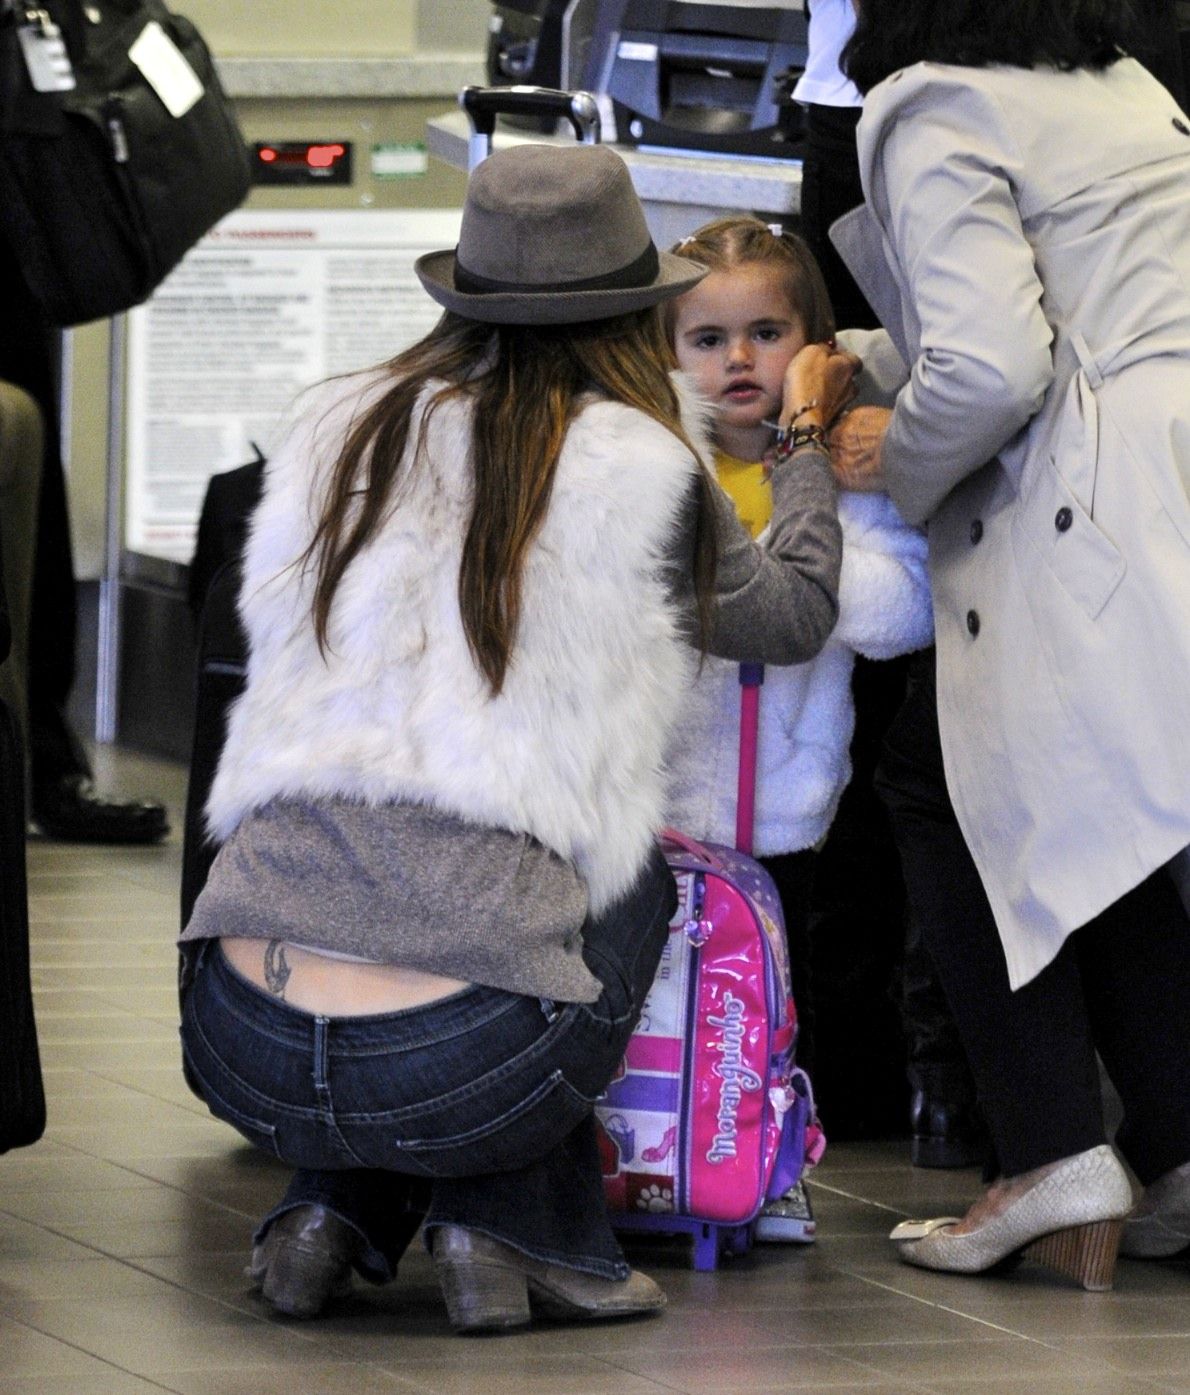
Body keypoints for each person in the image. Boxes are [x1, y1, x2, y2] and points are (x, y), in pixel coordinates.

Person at [177, 142, 856, 1331]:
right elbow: (791, 620)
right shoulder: (641, 467)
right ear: (631, 316)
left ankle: (329, 1208)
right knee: (626, 869)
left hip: (237, 1035)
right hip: (463, 1058)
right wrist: (800, 446)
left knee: (449, 923)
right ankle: (511, 1233)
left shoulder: (337, 429)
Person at [825, 0, 1190, 1286]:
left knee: (949, 790)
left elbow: (986, 370)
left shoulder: (930, 100)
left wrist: (891, 455)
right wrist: (866, 362)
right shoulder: (1115, 78)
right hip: (1160, 487)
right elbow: (1075, 305)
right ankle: (1178, 1145)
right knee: (1121, 819)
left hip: (1068, 507)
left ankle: (1051, 1154)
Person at [663, 215, 933, 1238]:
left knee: (773, 1006)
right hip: (654, 797)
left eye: (766, 332)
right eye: (705, 339)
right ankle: (644, 1155)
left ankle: (766, 1167)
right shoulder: (659, 463)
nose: (737, 359)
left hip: (781, 811)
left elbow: (886, 617)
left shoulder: (854, 483)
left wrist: (800, 475)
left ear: (817, 352)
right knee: (646, 993)